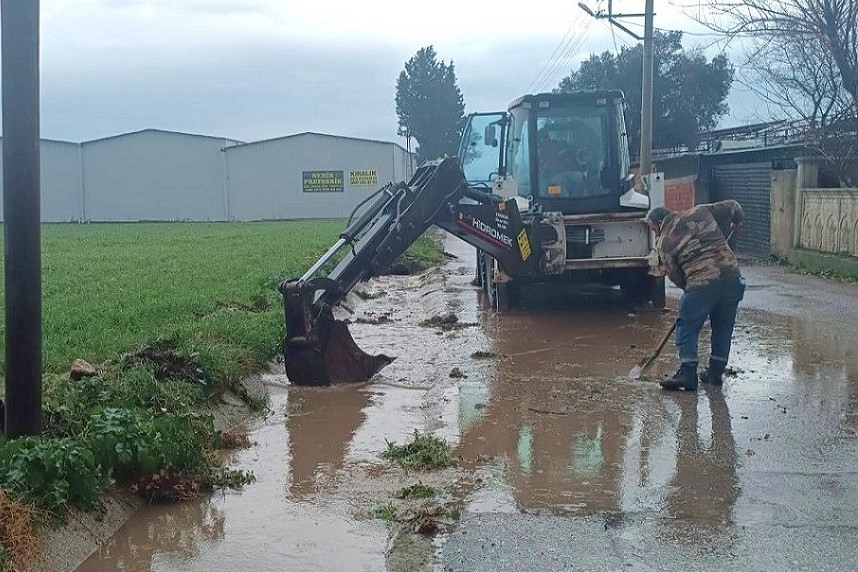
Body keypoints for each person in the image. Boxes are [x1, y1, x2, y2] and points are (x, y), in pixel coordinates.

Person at [645, 200, 746, 391]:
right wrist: (737, 222)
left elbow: (675, 276)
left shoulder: (664, 242)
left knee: (687, 325)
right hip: (732, 277)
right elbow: (733, 205)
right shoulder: (701, 211)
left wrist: (694, 294)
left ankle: (688, 373)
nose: (654, 234)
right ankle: (715, 373)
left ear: (658, 223)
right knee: (723, 326)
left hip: (702, 281)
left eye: (653, 229)